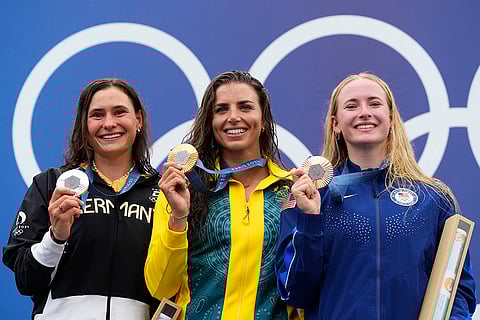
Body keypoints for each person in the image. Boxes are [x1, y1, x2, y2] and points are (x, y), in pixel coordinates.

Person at [275, 73, 477, 319]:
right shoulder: (309, 196)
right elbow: (294, 293)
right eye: (351, 106)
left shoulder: (433, 199)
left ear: (391, 119)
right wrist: (310, 220)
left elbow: (457, 290)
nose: (364, 112)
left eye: (374, 103)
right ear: (335, 124)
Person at [144, 70, 301, 319]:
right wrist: (178, 217)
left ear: (264, 121)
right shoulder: (184, 189)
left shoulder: (292, 192)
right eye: (221, 109)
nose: (233, 117)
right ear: (210, 122)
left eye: (245, 107)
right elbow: (160, 286)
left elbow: (302, 288)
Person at [3, 79, 161, 320]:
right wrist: (56, 237)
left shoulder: (162, 192)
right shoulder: (51, 185)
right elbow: (26, 280)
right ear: (85, 126)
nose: (109, 123)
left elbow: (176, 281)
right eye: (97, 115)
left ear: (138, 120)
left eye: (119, 112)